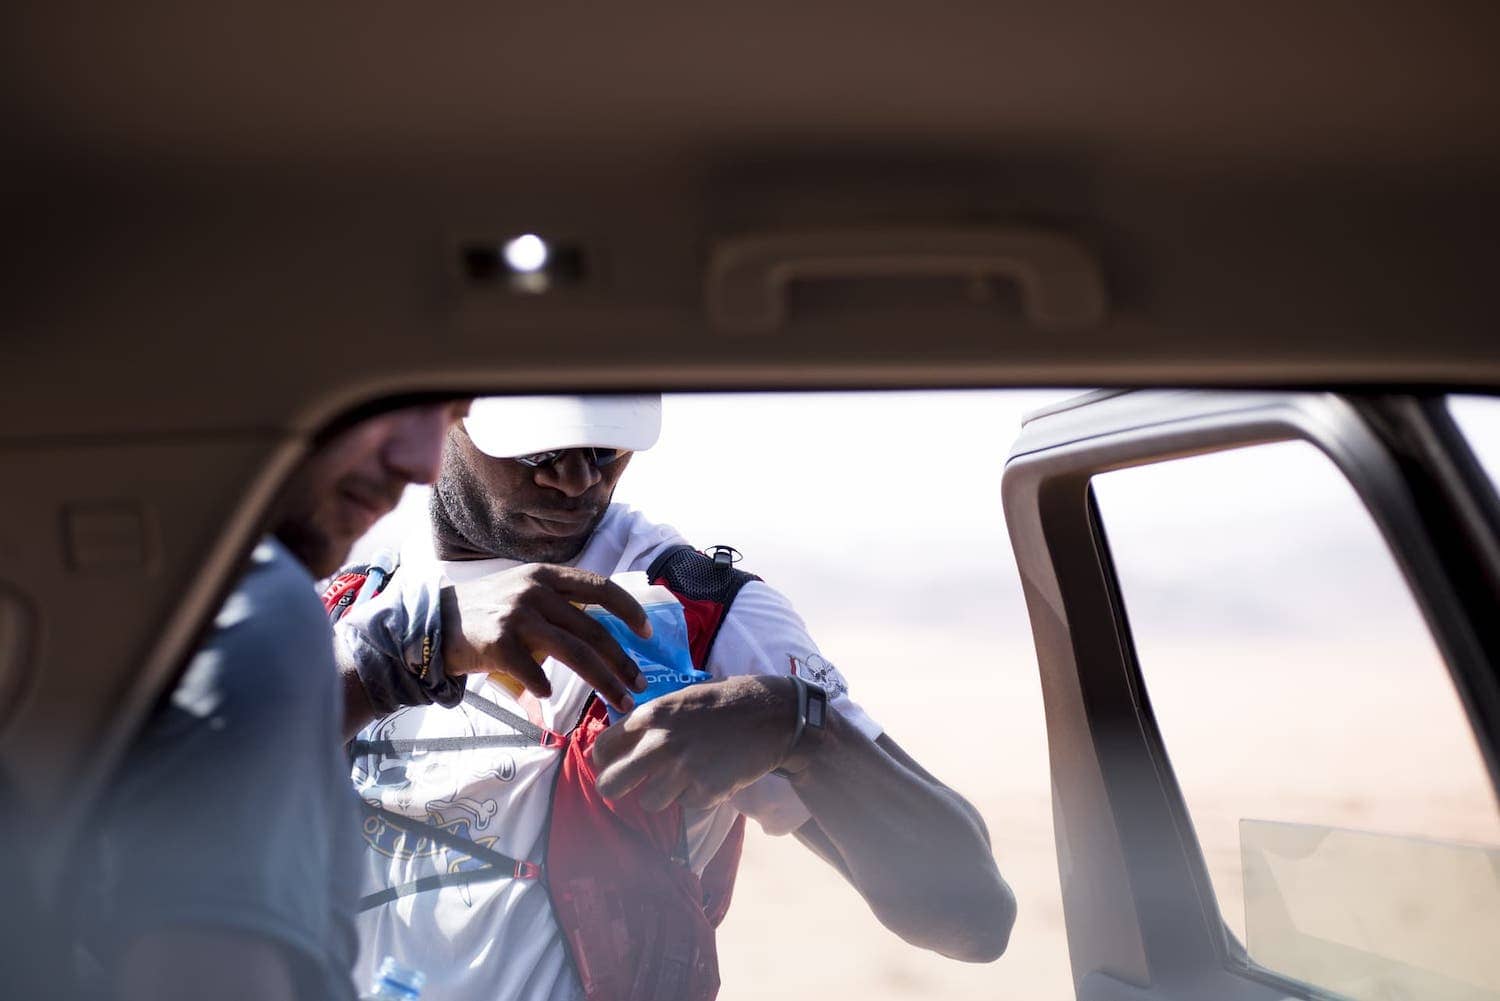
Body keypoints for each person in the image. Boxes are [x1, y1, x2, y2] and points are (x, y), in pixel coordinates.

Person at [333, 394, 1017, 1001]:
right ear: (450, 414)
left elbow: (974, 916)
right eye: (540, 452)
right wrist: (413, 645)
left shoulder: (699, 618)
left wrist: (802, 729)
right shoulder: (350, 606)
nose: (577, 481)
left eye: (606, 447)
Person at [72, 401, 475, 1001]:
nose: (422, 464)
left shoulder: (128, 593)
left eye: (449, 417)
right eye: (394, 399)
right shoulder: (268, 605)